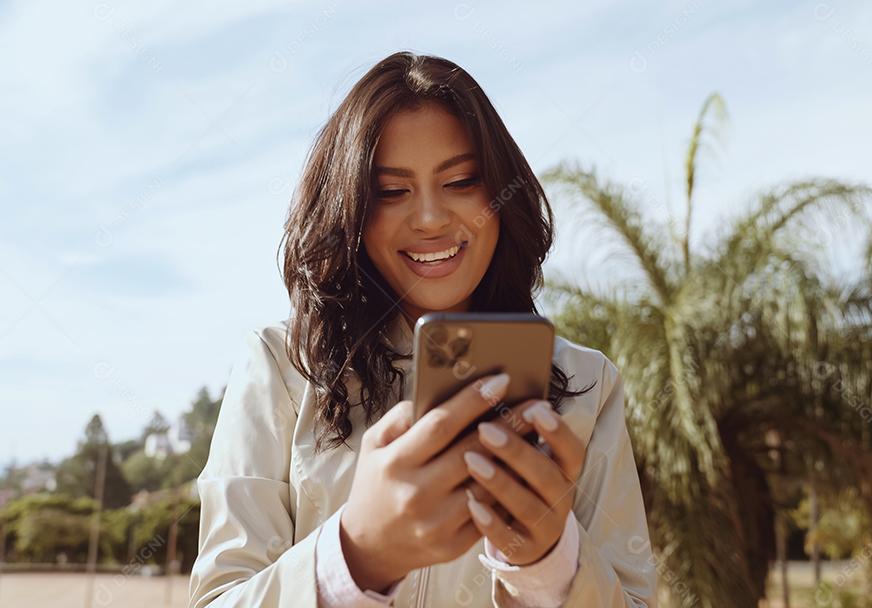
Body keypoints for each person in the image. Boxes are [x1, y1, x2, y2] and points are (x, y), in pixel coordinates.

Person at [188, 50, 657, 607]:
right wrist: (359, 554)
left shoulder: (589, 385)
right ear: (352, 210)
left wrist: (548, 565)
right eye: (391, 191)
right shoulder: (279, 366)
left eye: (460, 181)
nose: (431, 217)